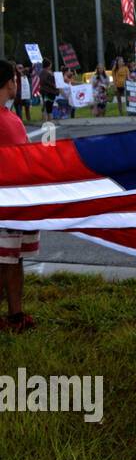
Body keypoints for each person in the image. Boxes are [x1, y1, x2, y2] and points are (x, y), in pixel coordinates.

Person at [0, 59, 39, 334]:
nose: (18, 83)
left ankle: (16, 314)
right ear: (9, 83)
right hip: (8, 203)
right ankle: (12, 315)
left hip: (17, 202)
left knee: (14, 259)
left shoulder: (9, 116)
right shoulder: (6, 120)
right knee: (6, 260)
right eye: (15, 79)